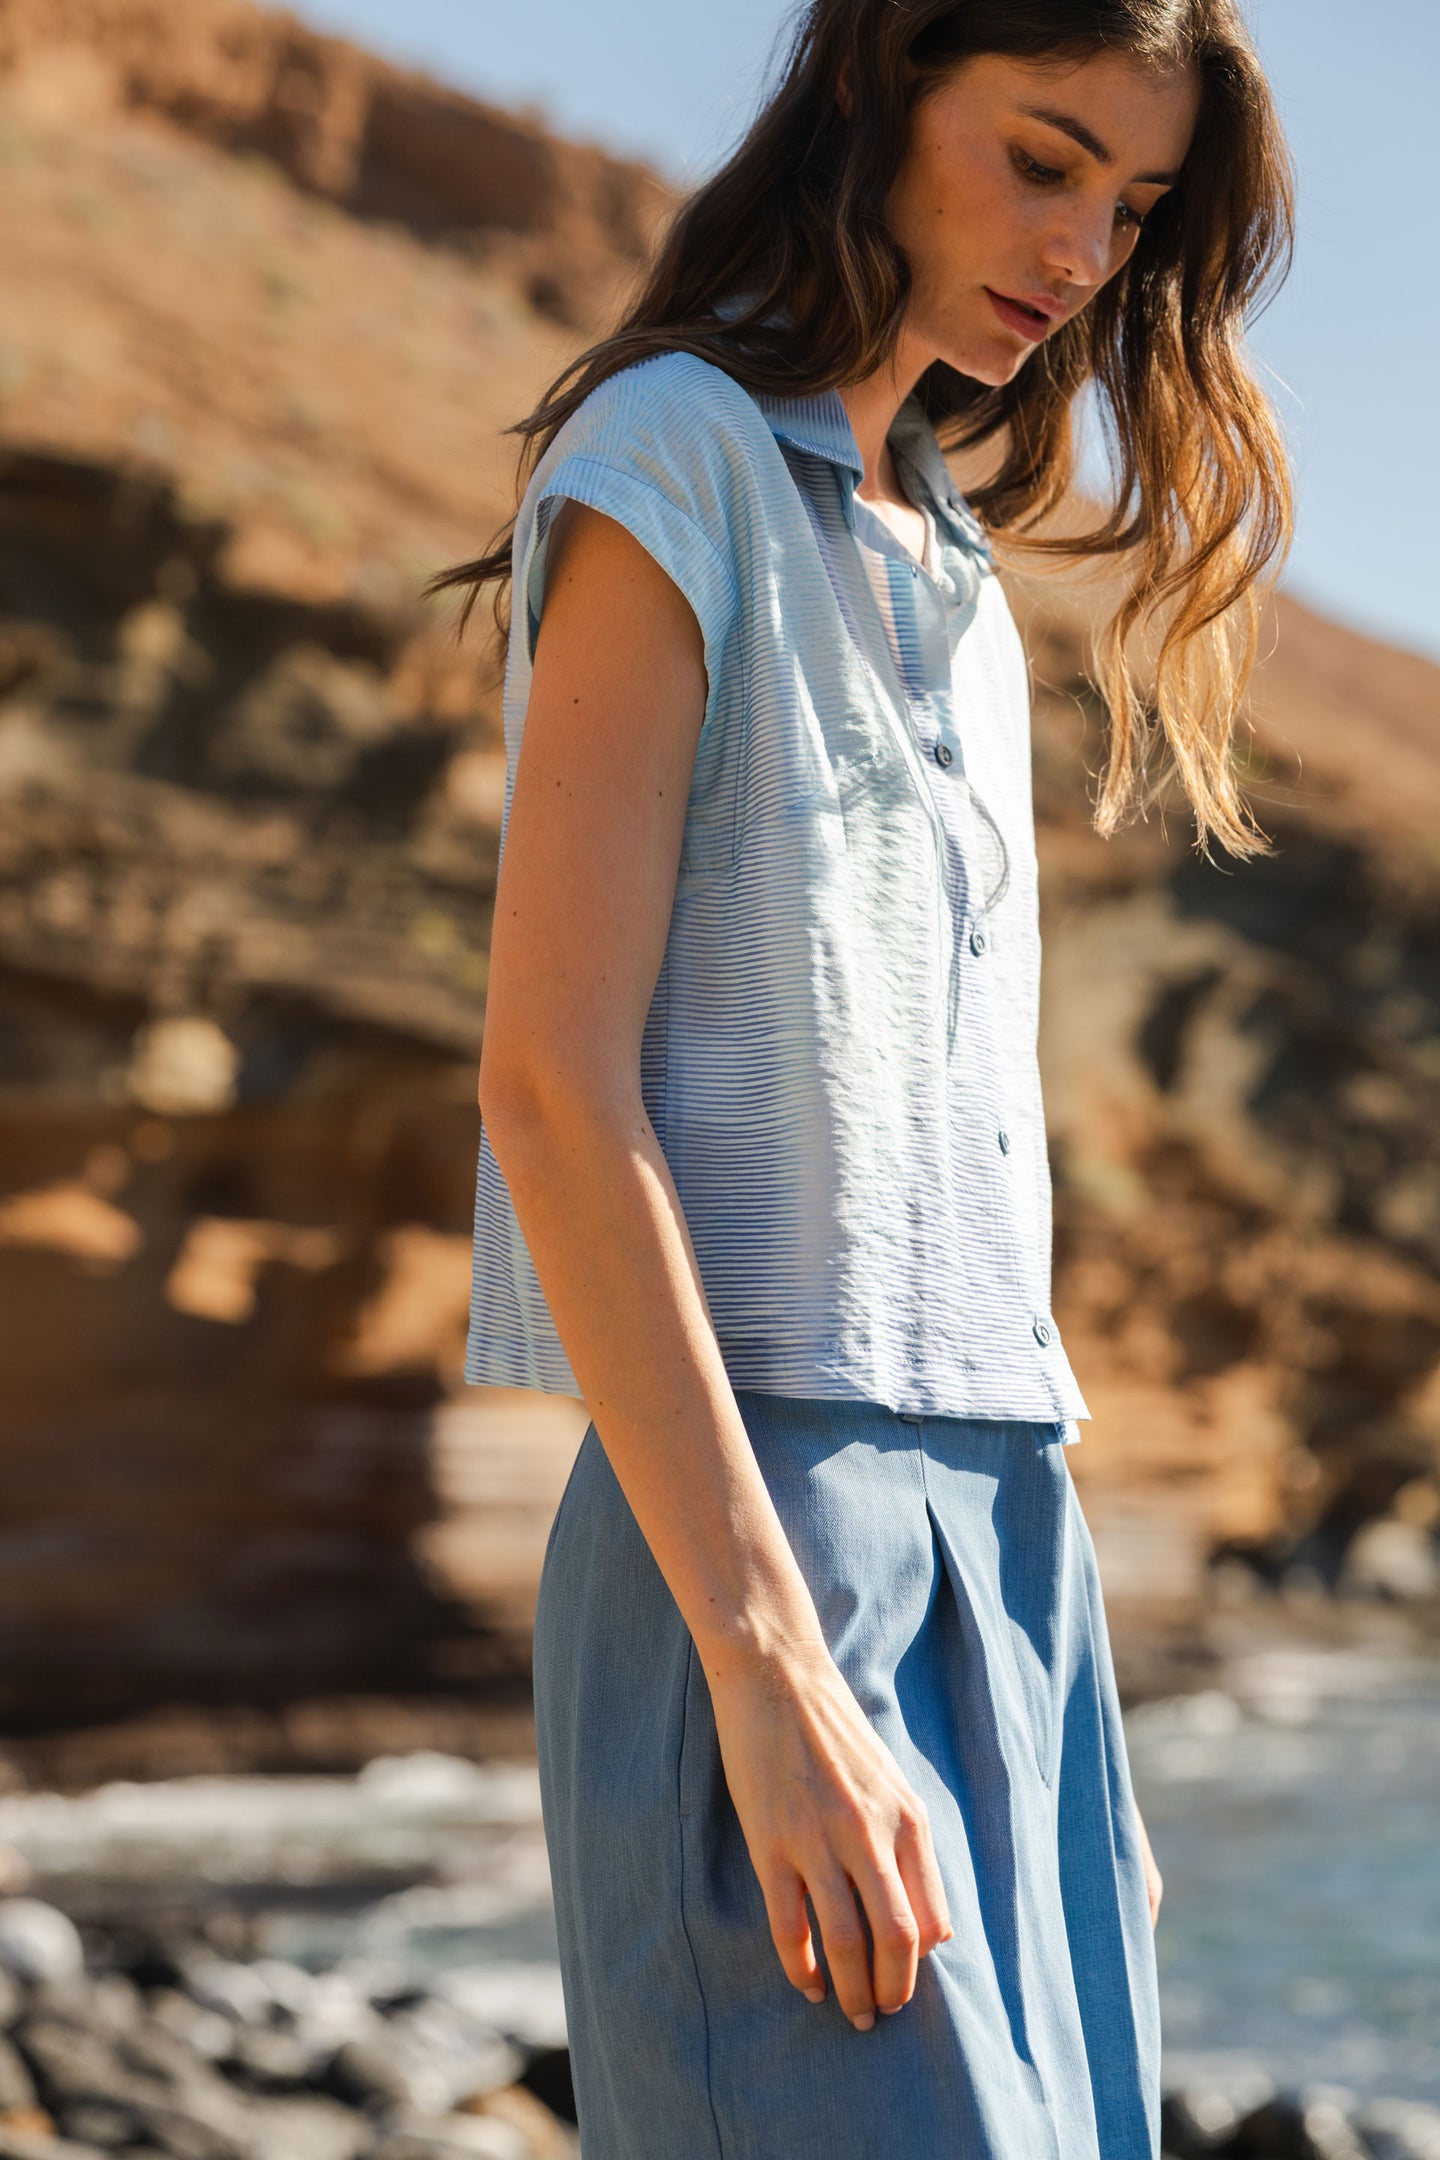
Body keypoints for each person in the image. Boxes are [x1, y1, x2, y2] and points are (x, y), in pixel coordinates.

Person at [427, 2, 1294, 2153]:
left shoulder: (968, 587)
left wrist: (1058, 1731)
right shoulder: (673, 454)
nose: (1087, 244)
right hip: (757, 1525)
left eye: (1138, 204)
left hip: (1018, 1544)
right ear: (880, 85)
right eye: (1044, 156)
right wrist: (766, 1663)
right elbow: (550, 1082)